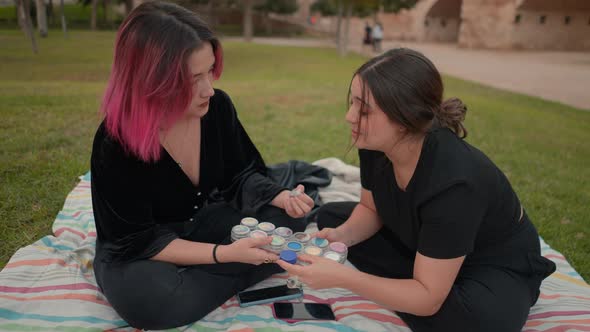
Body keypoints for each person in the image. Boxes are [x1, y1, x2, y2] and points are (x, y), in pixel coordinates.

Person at [277, 48, 556, 332]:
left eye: (363, 109)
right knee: (332, 219)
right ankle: (416, 281)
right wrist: (340, 238)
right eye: (352, 102)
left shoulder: (455, 183)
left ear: (405, 117)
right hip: (426, 243)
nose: (350, 116)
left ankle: (418, 285)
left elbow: (429, 301)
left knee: (473, 322)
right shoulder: (376, 145)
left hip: (490, 265)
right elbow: (371, 208)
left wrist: (343, 278)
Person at [90, 2, 314, 330]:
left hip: (204, 221)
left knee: (288, 222)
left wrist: (280, 197)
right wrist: (225, 255)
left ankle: (213, 276)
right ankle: (237, 269)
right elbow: (135, 240)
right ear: (153, 80)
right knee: (152, 301)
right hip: (142, 247)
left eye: (210, 71)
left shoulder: (217, 107)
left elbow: (240, 174)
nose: (209, 88)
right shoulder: (116, 142)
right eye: (194, 78)